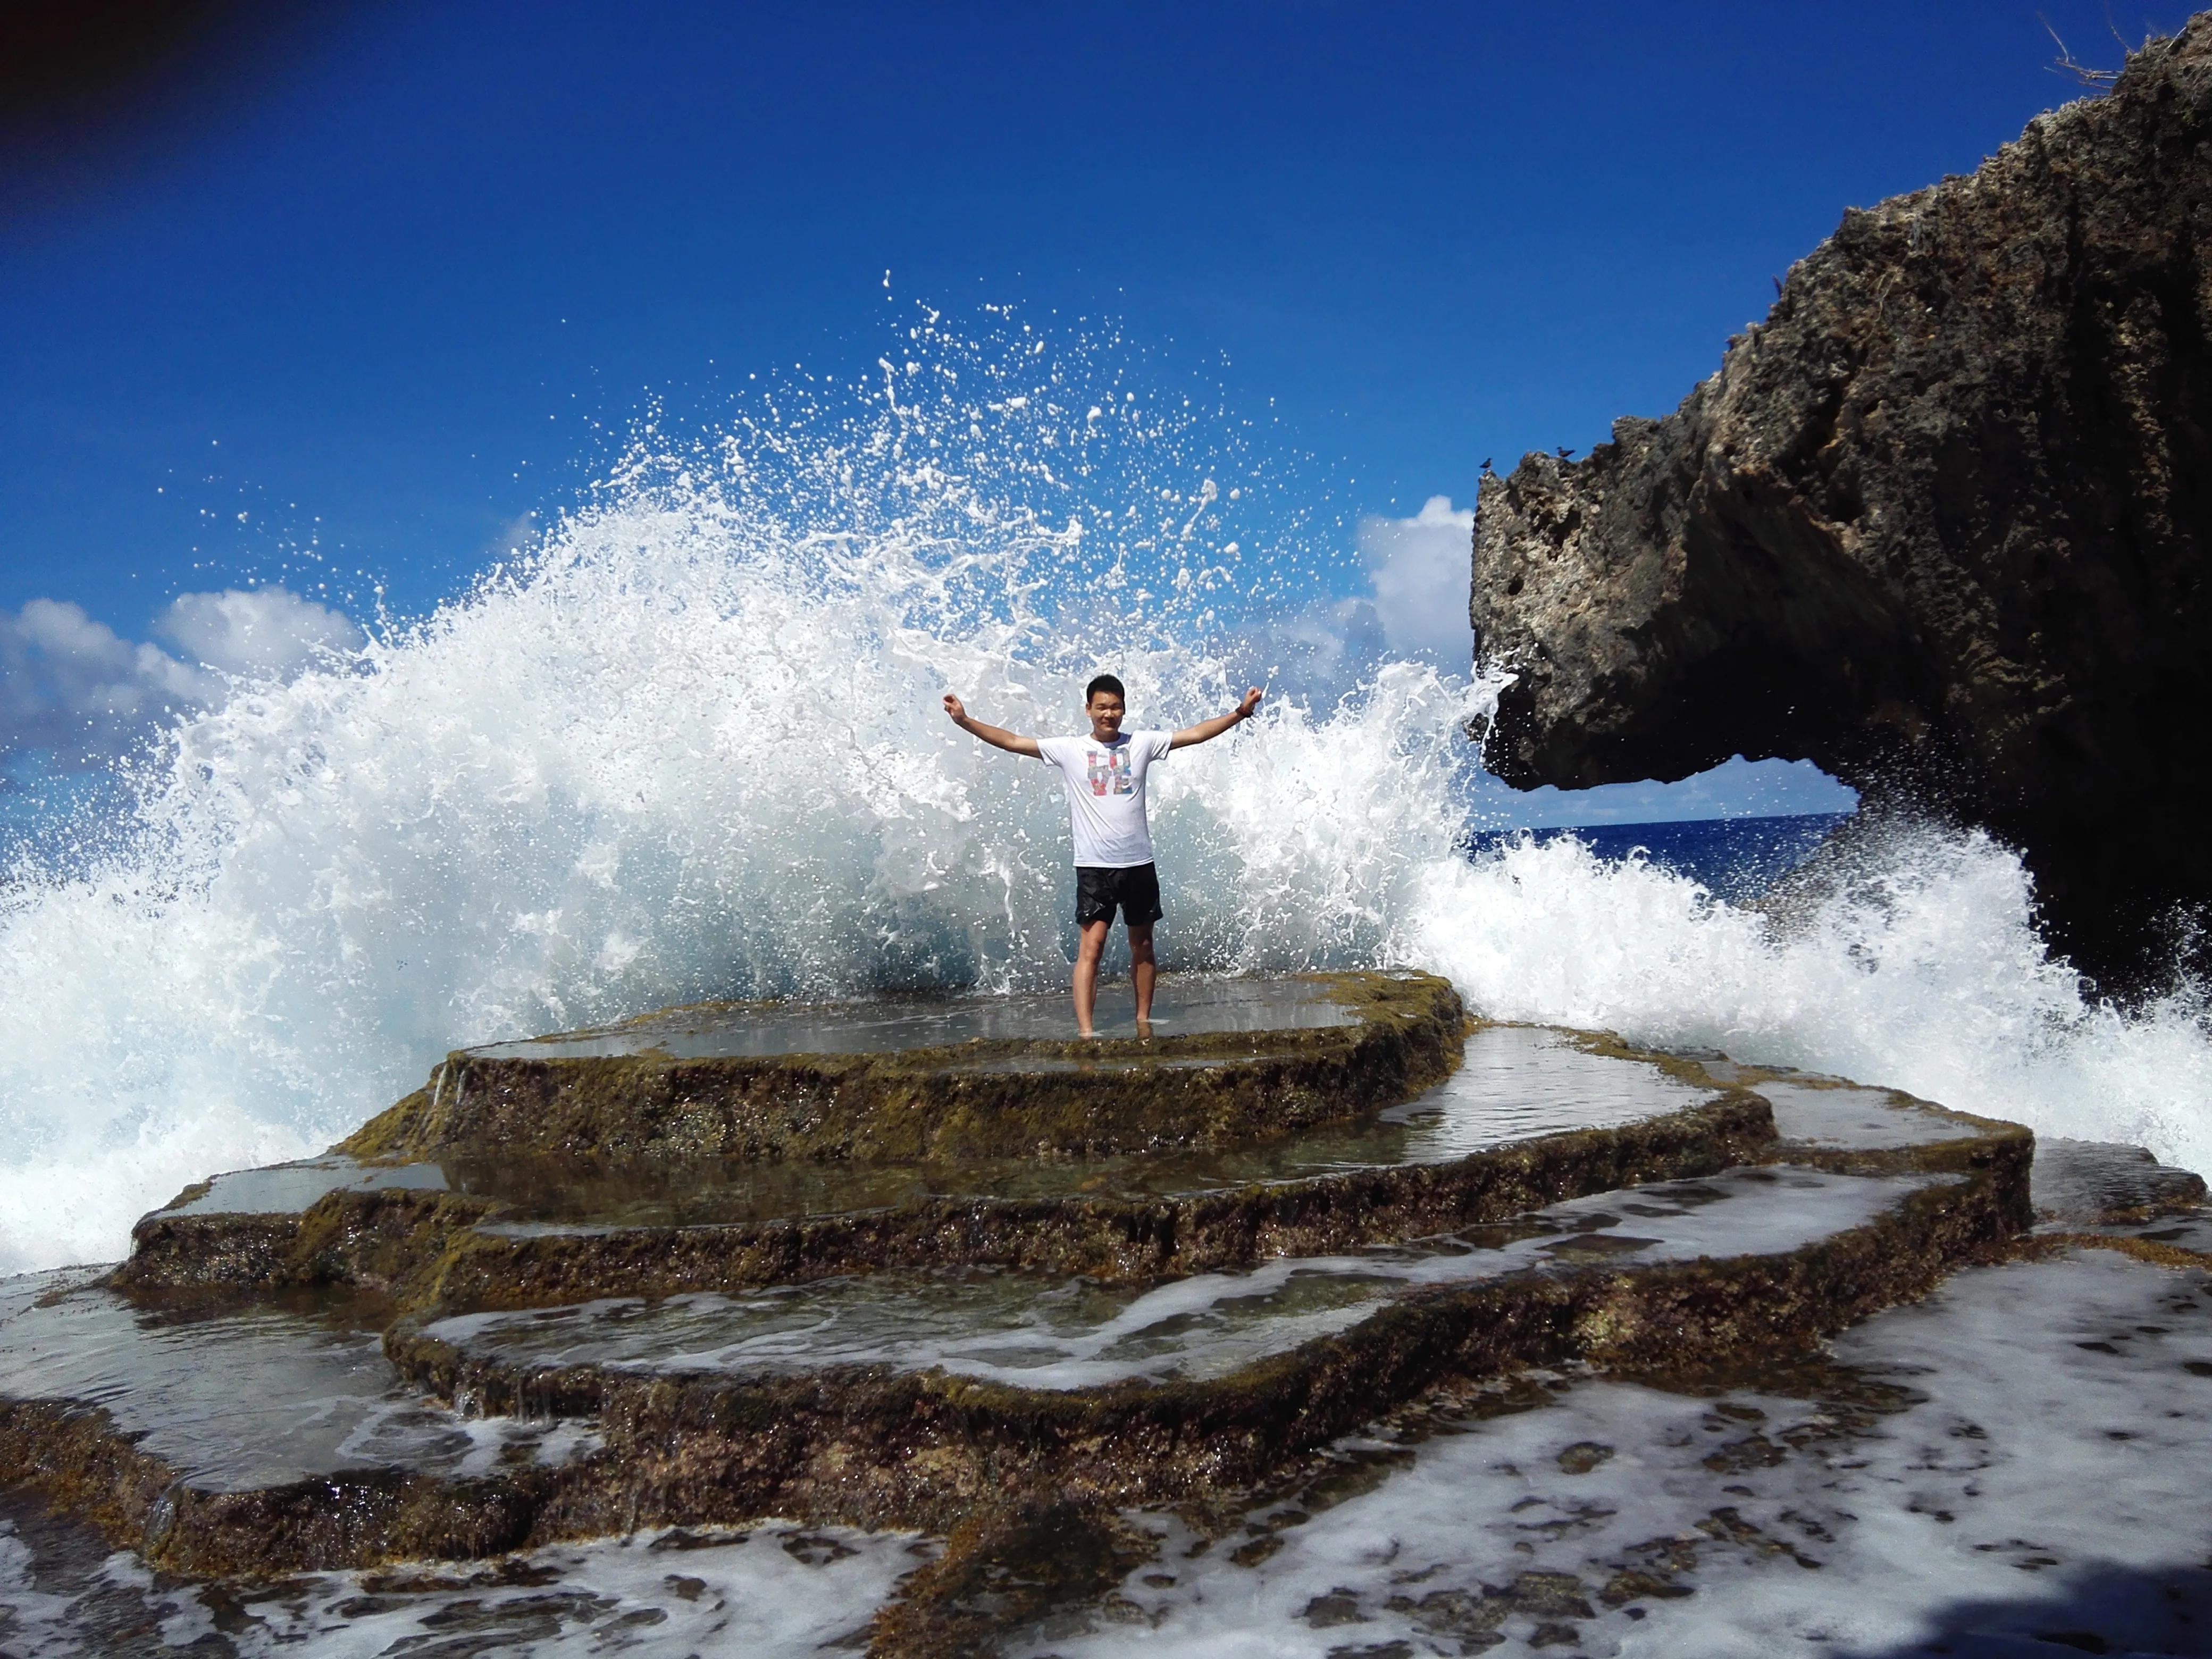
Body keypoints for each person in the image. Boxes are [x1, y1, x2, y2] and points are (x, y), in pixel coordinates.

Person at [942, 673, 1263, 1036]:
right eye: (1101, 707)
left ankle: (1143, 1023)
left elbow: (1195, 734)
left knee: (1142, 946)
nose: (1108, 714)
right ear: (1088, 710)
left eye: (1115, 707)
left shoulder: (1142, 743)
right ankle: (1086, 1032)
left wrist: (1241, 712)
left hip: (1138, 864)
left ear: (1124, 710)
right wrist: (965, 721)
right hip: (1094, 868)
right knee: (1091, 948)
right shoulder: (1070, 749)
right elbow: (1014, 741)